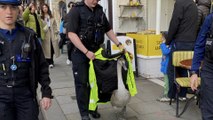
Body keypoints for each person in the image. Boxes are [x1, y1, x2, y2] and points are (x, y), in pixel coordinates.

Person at [66, 0, 124, 120]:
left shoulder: (99, 10)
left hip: (96, 53)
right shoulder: (75, 10)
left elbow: (108, 29)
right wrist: (86, 52)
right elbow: (71, 34)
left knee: (95, 83)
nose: (95, 1)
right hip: (80, 53)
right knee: (82, 83)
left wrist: (119, 44)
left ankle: (93, 108)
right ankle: (84, 113)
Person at [0, 0, 53, 120]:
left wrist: (46, 92)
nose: (9, 12)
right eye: (3, 7)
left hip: (25, 95)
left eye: (13, 7)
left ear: (18, 10)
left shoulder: (29, 36)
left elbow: (42, 66)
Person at [165, 0, 198, 101]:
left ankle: (171, 96)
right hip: (192, 41)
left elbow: (174, 22)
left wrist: (168, 40)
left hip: (180, 41)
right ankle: (182, 95)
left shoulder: (180, 3)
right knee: (183, 68)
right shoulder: (193, 4)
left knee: (171, 70)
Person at [190, 12, 213, 120]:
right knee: (209, 111)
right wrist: (194, 72)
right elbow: (200, 44)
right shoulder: (210, 19)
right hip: (210, 68)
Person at [41, 3, 60, 68]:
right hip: (46, 35)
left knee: (52, 48)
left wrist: (56, 32)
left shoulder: (51, 16)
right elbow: (41, 27)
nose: (44, 9)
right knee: (46, 49)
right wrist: (46, 27)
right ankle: (48, 61)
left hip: (52, 35)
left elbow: (55, 25)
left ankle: (51, 61)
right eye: (43, 8)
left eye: (45, 7)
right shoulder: (41, 17)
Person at [157, 32, 171, 102]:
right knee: (166, 81)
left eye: (162, 37)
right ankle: (167, 94)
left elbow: (166, 52)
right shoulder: (167, 45)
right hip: (165, 65)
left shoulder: (166, 45)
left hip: (167, 66)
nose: (161, 38)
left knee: (166, 82)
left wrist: (162, 44)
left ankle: (166, 95)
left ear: (165, 37)